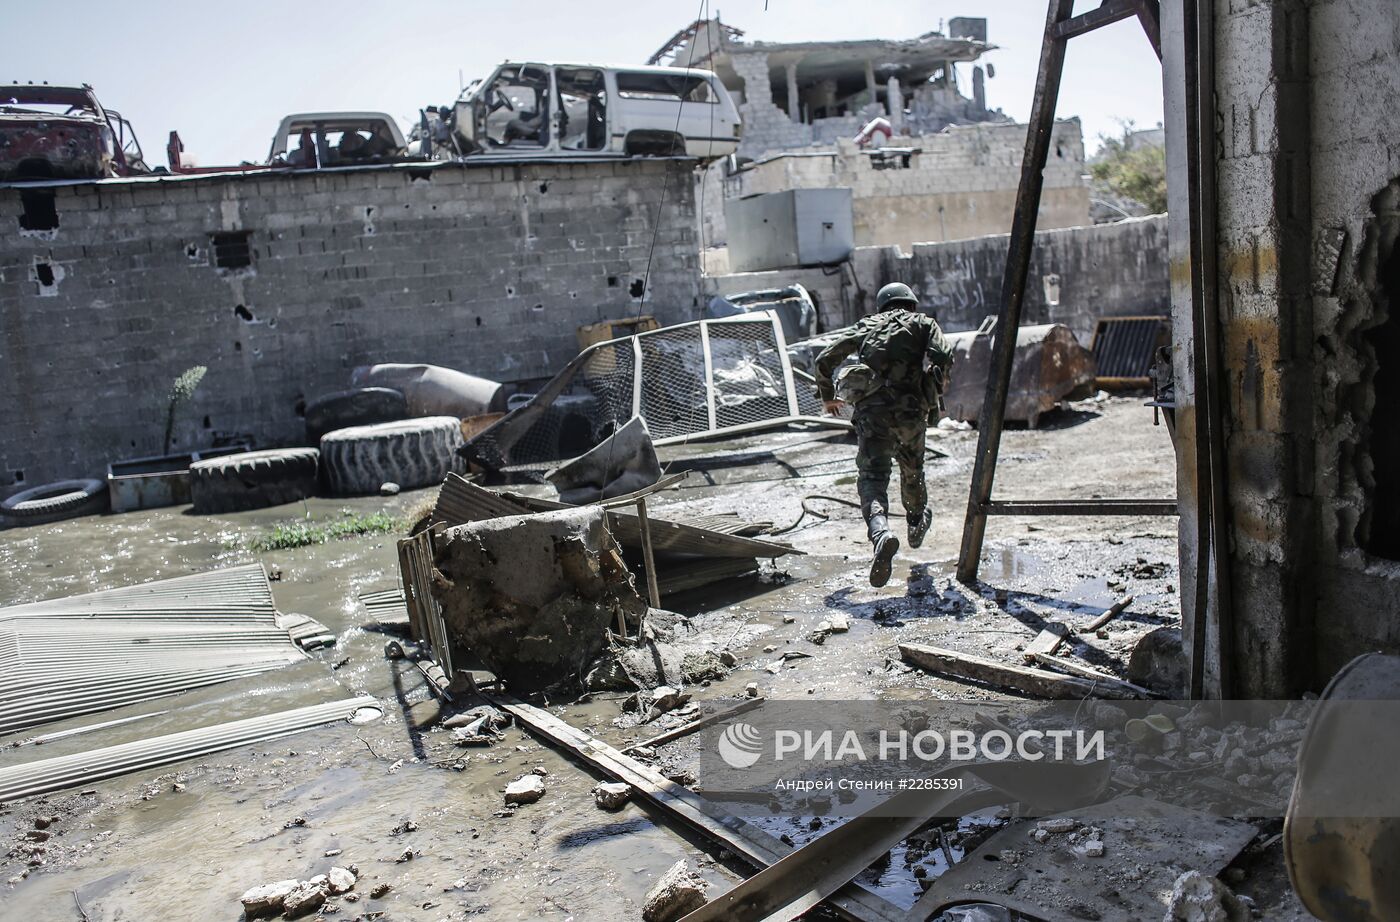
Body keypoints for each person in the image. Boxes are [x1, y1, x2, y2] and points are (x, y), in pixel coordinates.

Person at [815, 282, 954, 587]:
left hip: (872, 414)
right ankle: (916, 520)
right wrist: (939, 382)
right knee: (913, 470)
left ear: (882, 306)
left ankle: (881, 534)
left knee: (873, 477)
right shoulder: (923, 324)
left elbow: (824, 359)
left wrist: (828, 397)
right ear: (911, 304)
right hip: (911, 412)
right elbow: (942, 354)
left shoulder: (866, 326)